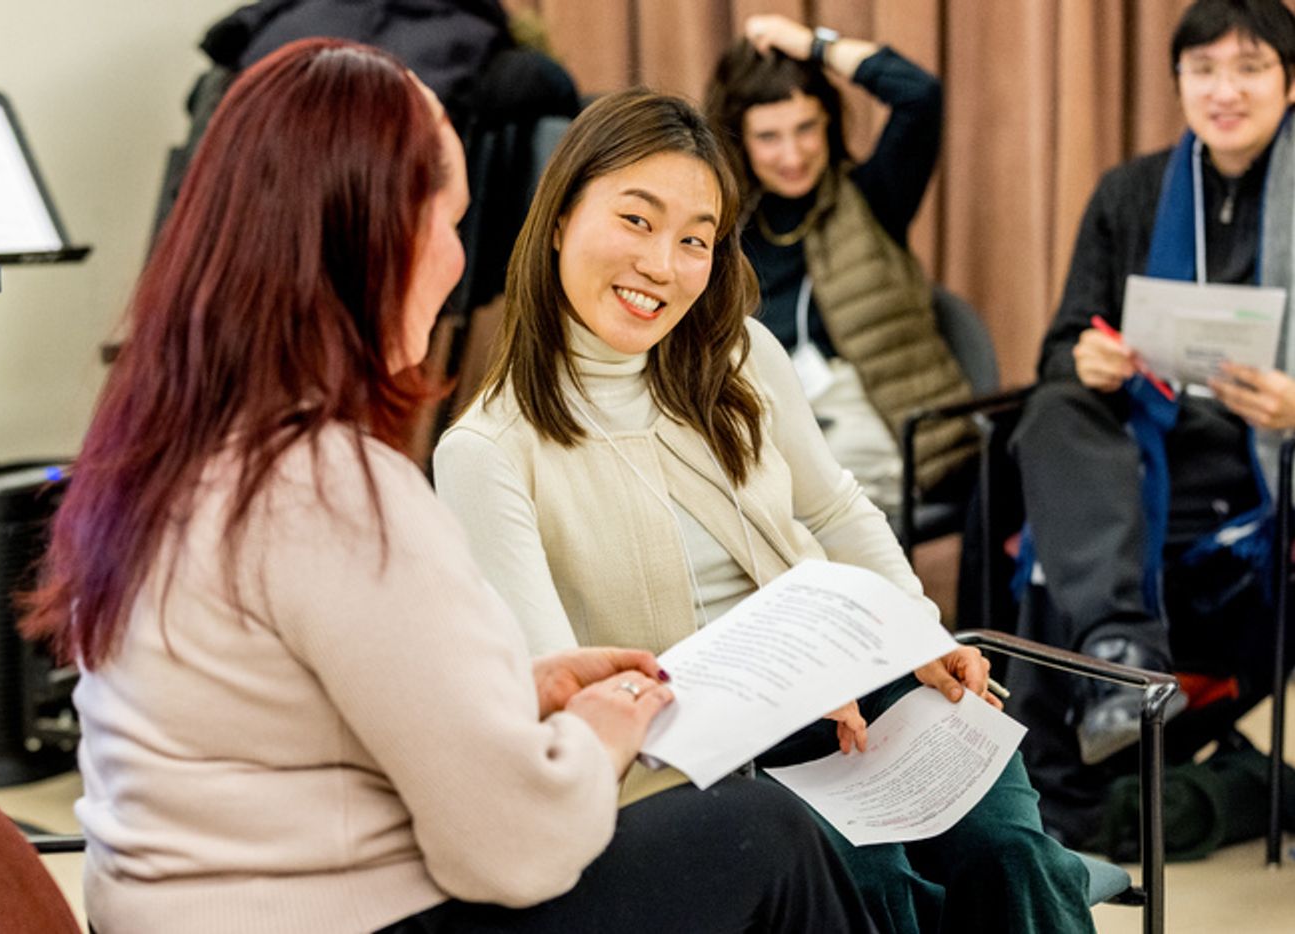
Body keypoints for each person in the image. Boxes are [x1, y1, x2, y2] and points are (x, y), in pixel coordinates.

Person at [18, 39, 875, 934]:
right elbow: (517, 848)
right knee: (759, 835)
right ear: (366, 238)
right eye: (447, 224)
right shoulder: (340, 492)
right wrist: (600, 732)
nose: (459, 264)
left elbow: (295, 714)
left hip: (181, 908)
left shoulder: (160, 455)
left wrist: (522, 690)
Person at [434, 87, 1095, 934]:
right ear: (559, 217)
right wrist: (780, 693)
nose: (663, 266)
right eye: (636, 221)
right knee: (884, 890)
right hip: (707, 764)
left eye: (694, 240)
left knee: (1019, 861)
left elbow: (838, 508)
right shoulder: (487, 453)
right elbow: (572, 704)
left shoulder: (739, 353)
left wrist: (919, 633)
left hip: (851, 690)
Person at [1008, 0, 1295, 847]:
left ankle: (1100, 743)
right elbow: (1066, 341)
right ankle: (1122, 653)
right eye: (1202, 70)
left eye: (1249, 69)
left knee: (1070, 525)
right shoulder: (1129, 192)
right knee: (1054, 410)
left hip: (1258, 466)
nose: (1224, 91)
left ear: (1290, 82)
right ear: (1178, 83)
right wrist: (1085, 361)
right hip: (1141, 450)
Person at [703, 14, 975, 518]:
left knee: (799, 515)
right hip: (759, 418)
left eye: (806, 128)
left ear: (828, 121)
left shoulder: (871, 197)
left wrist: (811, 45)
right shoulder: (723, 228)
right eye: (769, 137)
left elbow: (920, 95)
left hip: (865, 419)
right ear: (739, 140)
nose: (793, 154)